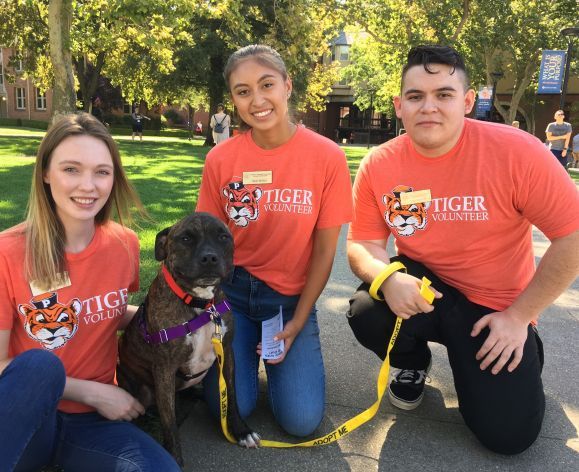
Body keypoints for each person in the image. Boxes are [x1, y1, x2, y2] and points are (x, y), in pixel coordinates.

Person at [346, 45, 579, 455]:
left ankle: (521, 349)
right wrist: (388, 277)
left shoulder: (518, 152)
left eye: (444, 94)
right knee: (367, 310)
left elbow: (573, 236)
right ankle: (414, 365)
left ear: (468, 101)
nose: (428, 107)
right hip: (426, 294)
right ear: (399, 106)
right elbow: (363, 244)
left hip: (497, 311)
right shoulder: (380, 163)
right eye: (415, 96)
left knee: (508, 438)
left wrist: (520, 317)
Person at [0, 113, 180, 470]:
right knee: (39, 365)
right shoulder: (8, 253)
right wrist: (92, 392)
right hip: (28, 415)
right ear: (46, 174)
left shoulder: (124, 244)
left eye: (102, 171)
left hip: (90, 423)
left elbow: (110, 313)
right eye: (71, 169)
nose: (88, 185)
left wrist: (186, 326)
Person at [196, 44, 352, 437]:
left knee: (301, 422)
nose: (257, 100)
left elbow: (324, 251)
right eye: (243, 91)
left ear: (287, 86)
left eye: (267, 85)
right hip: (232, 297)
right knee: (233, 409)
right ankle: (237, 363)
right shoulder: (220, 159)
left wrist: (299, 319)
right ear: (233, 99)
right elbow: (206, 244)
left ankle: (275, 365)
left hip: (287, 302)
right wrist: (209, 312)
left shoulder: (327, 157)